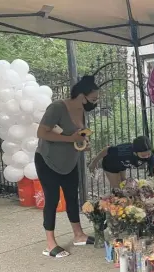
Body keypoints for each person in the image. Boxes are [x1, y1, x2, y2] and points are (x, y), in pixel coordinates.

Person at [35, 75, 99, 258]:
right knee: (52, 199)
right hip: (48, 161)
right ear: (81, 95)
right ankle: (50, 244)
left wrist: (82, 144)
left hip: (69, 162)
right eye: (93, 99)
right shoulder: (57, 107)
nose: (95, 103)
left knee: (72, 197)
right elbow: (41, 132)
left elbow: (77, 136)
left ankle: (78, 235)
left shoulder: (82, 111)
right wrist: (71, 139)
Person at [88, 135, 154, 189]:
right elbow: (106, 149)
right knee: (117, 189)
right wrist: (94, 162)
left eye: (148, 154)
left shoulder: (149, 155)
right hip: (110, 163)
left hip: (122, 165)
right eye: (143, 155)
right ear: (135, 153)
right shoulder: (124, 150)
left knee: (124, 185)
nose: (147, 157)